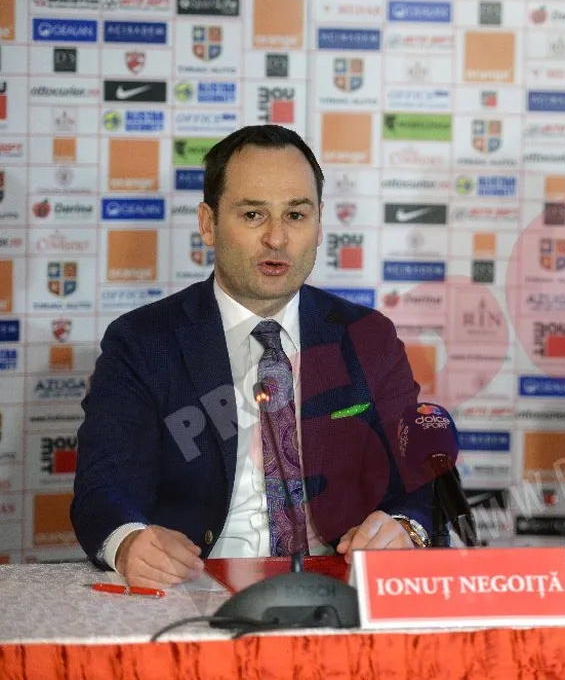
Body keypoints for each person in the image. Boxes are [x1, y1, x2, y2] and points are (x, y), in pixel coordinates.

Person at [72, 125, 432, 589]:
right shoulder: (142, 342)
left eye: (296, 215)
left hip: (337, 586)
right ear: (208, 224)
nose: (277, 238)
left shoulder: (368, 337)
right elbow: (103, 488)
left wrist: (405, 527)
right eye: (253, 214)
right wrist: (128, 543)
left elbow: (422, 477)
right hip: (196, 589)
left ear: (319, 224)